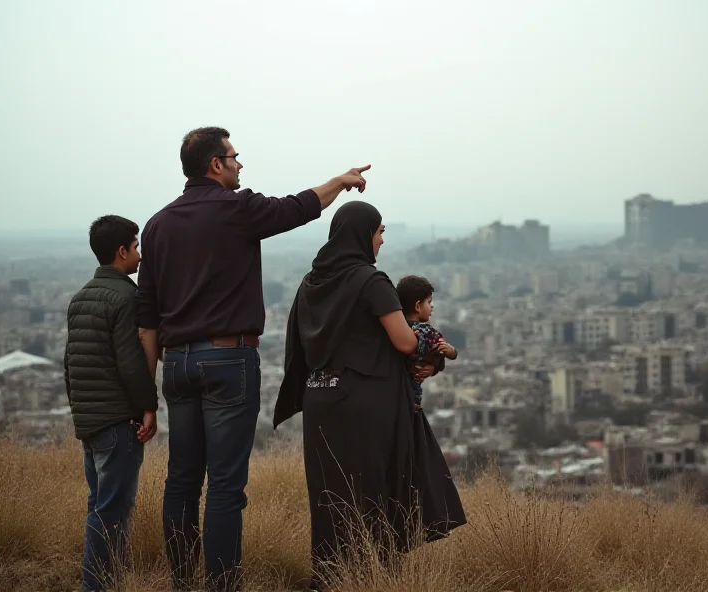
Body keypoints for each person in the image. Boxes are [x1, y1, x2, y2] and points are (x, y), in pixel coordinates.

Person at [134, 126, 370, 591]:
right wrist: (340, 182)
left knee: (181, 481)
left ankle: (183, 583)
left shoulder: (157, 225)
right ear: (215, 165)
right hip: (227, 359)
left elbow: (147, 321)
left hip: (176, 365)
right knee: (224, 485)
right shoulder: (235, 209)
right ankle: (221, 585)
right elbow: (298, 207)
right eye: (235, 157)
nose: (241, 164)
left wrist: (146, 393)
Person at [273, 201, 466, 591]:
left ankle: (330, 576)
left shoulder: (310, 282)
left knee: (332, 493)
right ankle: (373, 576)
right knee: (374, 488)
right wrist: (431, 349)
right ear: (363, 234)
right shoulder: (370, 281)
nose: (380, 241)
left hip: (321, 400)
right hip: (367, 400)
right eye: (379, 233)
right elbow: (404, 340)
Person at [64, 215, 158, 592]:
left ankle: (103, 582)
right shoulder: (126, 297)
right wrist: (148, 408)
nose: (139, 255)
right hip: (118, 422)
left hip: (90, 422)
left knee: (99, 506)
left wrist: (81, 413)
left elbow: (69, 363)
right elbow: (131, 362)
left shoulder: (80, 296)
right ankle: (97, 586)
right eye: (135, 247)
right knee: (112, 514)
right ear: (121, 251)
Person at [396, 275, 458, 410]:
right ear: (418, 306)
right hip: (411, 389)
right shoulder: (428, 332)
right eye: (429, 302)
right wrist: (450, 352)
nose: (432, 307)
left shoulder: (395, 327)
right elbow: (448, 353)